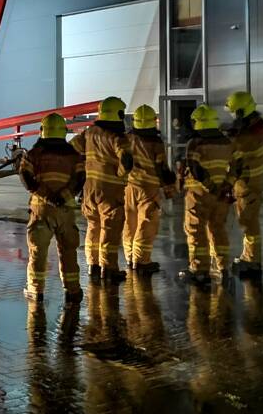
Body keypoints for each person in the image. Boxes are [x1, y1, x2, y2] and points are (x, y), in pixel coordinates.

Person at [18, 113, 86, 302]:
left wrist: (47, 196)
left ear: (43, 131)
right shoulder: (73, 155)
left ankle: (35, 290)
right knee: (68, 251)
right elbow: (80, 178)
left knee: (38, 252)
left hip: (42, 210)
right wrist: (64, 196)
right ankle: (73, 290)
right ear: (63, 131)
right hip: (66, 211)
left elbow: (25, 177)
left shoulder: (34, 154)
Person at [71, 96, 133, 282]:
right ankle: (109, 268)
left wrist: (83, 165)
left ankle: (93, 265)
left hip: (90, 189)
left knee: (93, 227)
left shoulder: (89, 133)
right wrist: (120, 174)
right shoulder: (117, 137)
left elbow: (72, 148)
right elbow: (127, 161)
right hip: (110, 191)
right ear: (117, 114)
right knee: (110, 229)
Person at [179, 104, 242, 284]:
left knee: (196, 231)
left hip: (198, 195)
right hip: (221, 195)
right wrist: (227, 185)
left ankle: (199, 269)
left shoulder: (195, 143)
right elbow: (238, 165)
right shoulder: (228, 143)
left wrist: (210, 187)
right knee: (218, 229)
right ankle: (222, 267)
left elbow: (195, 168)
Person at [123, 104, 175, 274]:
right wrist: (169, 188)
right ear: (153, 121)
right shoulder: (155, 142)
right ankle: (141, 261)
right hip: (148, 188)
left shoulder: (126, 138)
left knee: (130, 223)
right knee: (146, 223)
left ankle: (130, 258)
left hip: (129, 187)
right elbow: (161, 168)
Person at [225, 91, 263, 277]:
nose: (231, 115)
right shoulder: (256, 129)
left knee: (248, 224)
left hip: (246, 187)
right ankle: (249, 257)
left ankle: (251, 261)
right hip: (251, 185)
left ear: (240, 112)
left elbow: (235, 162)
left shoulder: (245, 137)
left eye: (233, 112)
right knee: (249, 223)